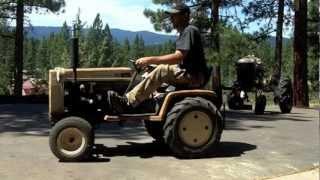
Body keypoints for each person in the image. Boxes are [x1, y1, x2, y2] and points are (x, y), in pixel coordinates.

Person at [108, 3, 208, 114]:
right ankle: (147, 102)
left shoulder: (189, 30)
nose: (171, 18)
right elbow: (181, 61)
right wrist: (151, 65)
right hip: (188, 73)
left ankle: (128, 103)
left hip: (193, 76)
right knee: (152, 69)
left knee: (161, 70)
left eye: (174, 15)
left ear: (185, 16)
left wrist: (149, 59)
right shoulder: (185, 32)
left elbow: (178, 57)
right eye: (171, 16)